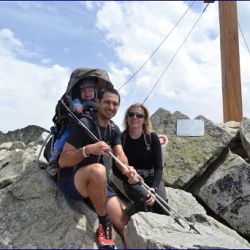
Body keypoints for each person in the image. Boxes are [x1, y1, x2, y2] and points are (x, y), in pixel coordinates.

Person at [58, 88, 141, 249]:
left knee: (124, 224)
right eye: (107, 102)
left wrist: (127, 168)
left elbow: (120, 155)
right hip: (73, 179)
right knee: (98, 169)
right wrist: (88, 149)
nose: (111, 107)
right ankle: (104, 223)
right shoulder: (85, 123)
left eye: (115, 104)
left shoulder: (113, 129)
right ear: (98, 102)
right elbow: (63, 161)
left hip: (97, 183)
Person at [112, 103, 167, 215]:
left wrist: (153, 189)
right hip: (131, 180)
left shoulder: (152, 138)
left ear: (145, 120)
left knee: (162, 207)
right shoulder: (121, 139)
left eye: (139, 115)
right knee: (145, 200)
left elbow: (159, 167)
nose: (134, 117)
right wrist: (128, 178)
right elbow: (115, 168)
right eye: (131, 114)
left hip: (151, 178)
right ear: (127, 117)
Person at [48, 78, 97, 174]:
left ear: (95, 92)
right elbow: (75, 105)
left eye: (90, 91)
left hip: (90, 129)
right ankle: (54, 157)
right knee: (66, 135)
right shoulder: (77, 100)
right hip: (73, 126)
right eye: (84, 91)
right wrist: (78, 107)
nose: (87, 93)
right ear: (80, 92)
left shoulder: (97, 103)